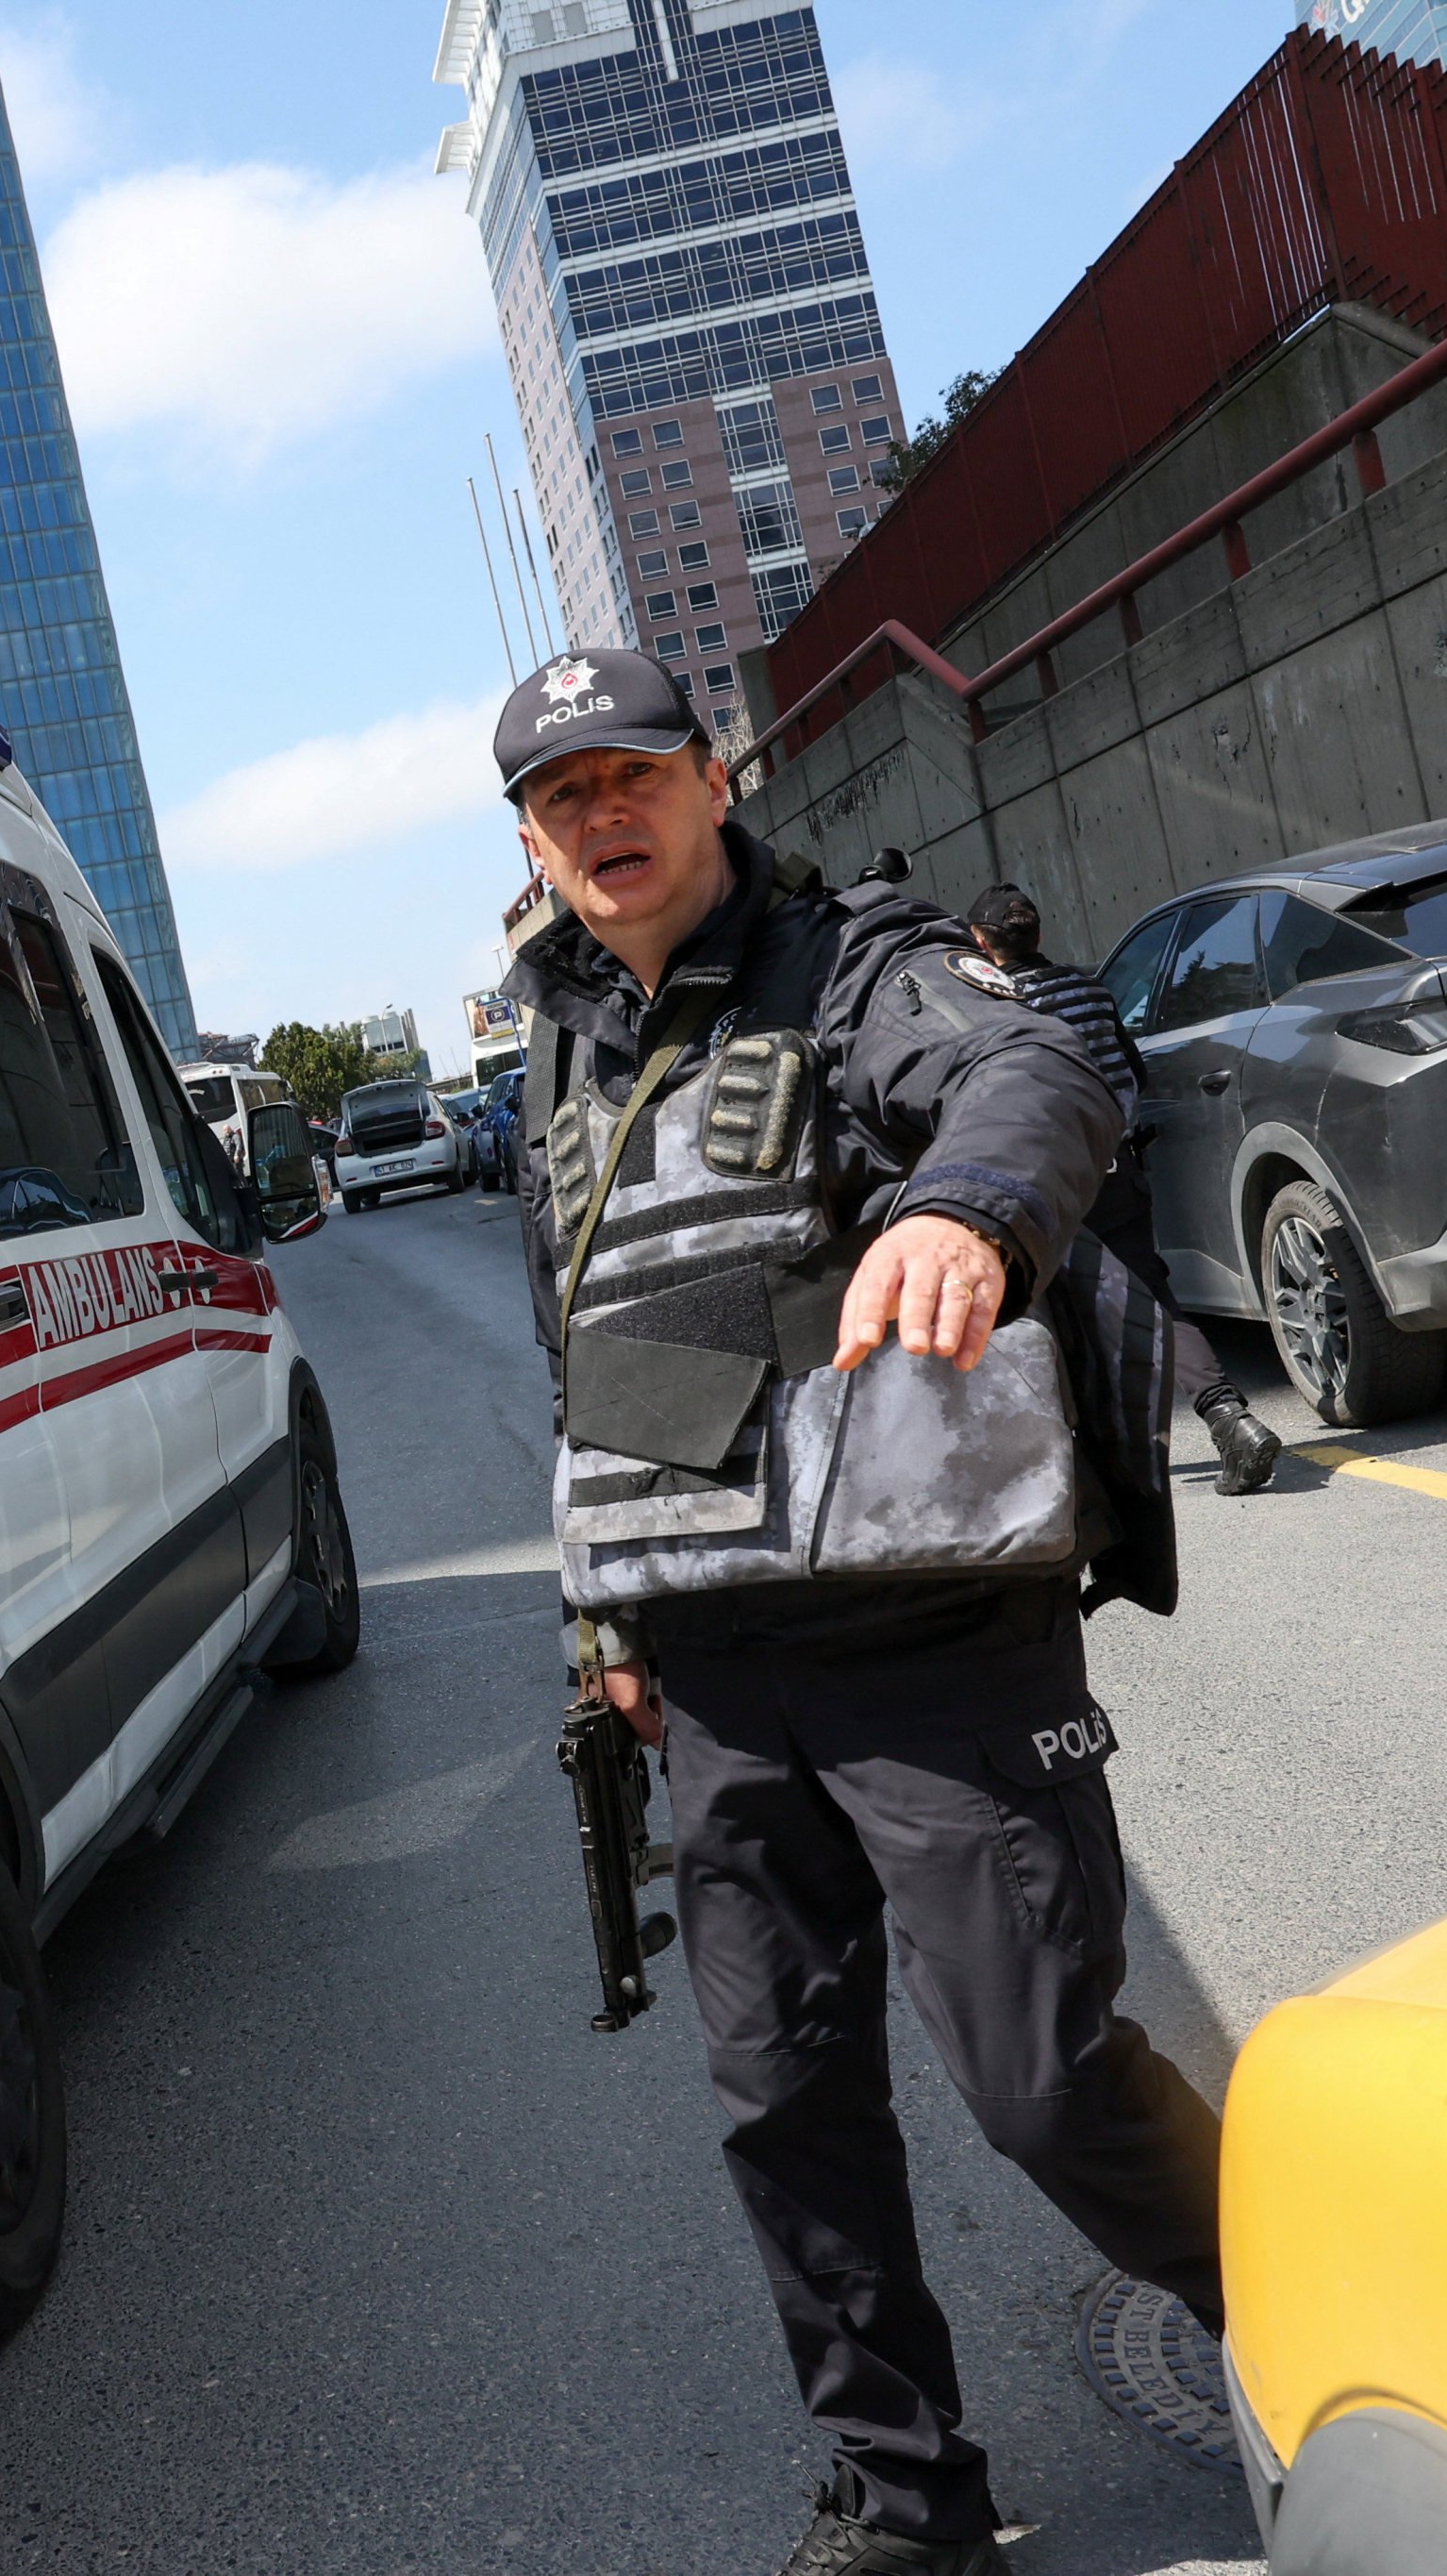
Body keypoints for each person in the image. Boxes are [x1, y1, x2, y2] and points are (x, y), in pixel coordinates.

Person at [496, 649, 1225, 2576]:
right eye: (560, 798)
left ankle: (1333, 2332)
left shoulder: (857, 966)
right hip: (716, 1674)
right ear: (530, 840)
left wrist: (960, 1208)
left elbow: (1040, 1066)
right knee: (781, 2112)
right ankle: (908, 2508)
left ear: (709, 775)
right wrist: (606, 1632)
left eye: (631, 773)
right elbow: (585, 1361)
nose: (603, 818)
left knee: (1041, 2081)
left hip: (928, 1649)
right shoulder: (557, 1050)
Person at [959, 885, 1284, 1497]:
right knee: (1153, 1298)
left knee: (1037, 1317)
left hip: (1034, 1185)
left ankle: (1078, 1473)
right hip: (1111, 1170)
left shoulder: (989, 1006)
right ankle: (1227, 1418)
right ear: (1037, 936)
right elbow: (1130, 1074)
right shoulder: (1088, 989)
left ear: (979, 943)